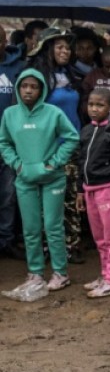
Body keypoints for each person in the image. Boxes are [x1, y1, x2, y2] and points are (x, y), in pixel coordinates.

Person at [0, 69, 80, 299]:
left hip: (52, 178)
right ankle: (35, 272)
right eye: (24, 86)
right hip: (24, 178)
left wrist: (54, 163)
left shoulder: (53, 113)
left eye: (34, 87)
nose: (28, 90)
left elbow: (72, 137)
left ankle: (60, 273)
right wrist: (17, 165)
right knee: (31, 229)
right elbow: (4, 142)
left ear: (41, 89)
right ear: (18, 89)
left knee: (53, 227)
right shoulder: (10, 114)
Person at [26, 27, 86, 263]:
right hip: (46, 148)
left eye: (67, 47)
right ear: (47, 49)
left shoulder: (70, 74)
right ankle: (47, 246)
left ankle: (71, 245)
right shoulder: (35, 76)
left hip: (71, 144)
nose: (66, 51)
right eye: (60, 47)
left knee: (71, 197)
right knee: (46, 200)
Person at [76, 87, 110, 298]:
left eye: (100, 105)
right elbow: (82, 162)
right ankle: (105, 274)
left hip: (108, 190)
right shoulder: (87, 130)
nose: (94, 109)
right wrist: (80, 190)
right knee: (100, 237)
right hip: (90, 191)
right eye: (91, 104)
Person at [0, 27, 26, 260]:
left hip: (10, 142)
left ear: (4, 41)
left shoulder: (18, 68)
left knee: (9, 193)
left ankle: (6, 240)